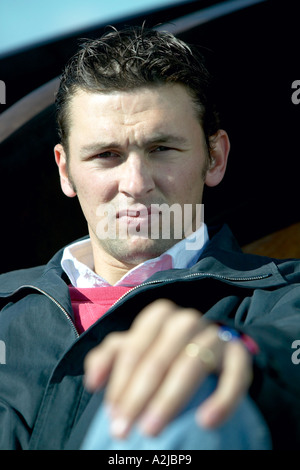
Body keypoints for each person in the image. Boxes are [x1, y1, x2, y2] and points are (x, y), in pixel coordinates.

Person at [0, 25, 300, 451]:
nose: (136, 183)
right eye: (107, 155)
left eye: (161, 148)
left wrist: (242, 352)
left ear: (214, 158)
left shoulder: (285, 296)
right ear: (65, 170)